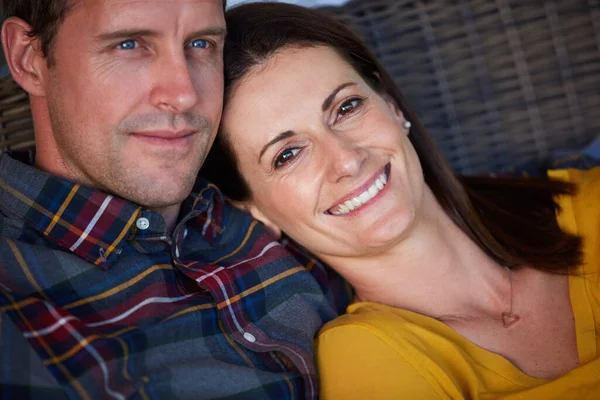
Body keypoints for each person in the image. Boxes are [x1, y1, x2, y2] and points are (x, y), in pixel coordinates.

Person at [201, 2, 600, 398]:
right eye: (287, 154)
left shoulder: (589, 205)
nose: (347, 160)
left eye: (346, 107)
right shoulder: (369, 362)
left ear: (391, 105)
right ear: (252, 208)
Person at [0, 1, 349, 398]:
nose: (184, 94)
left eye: (201, 43)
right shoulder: (16, 312)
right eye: (130, 44)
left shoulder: (271, 194)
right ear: (29, 59)